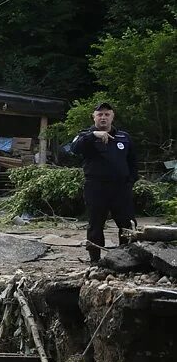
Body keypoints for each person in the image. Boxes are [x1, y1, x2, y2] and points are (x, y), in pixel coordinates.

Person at [69, 101, 138, 263]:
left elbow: (133, 161)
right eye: (100, 114)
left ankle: (126, 257)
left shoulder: (124, 137)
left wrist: (131, 181)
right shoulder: (85, 135)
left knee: (127, 224)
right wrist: (94, 135)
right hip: (96, 187)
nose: (103, 117)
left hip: (121, 188)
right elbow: (74, 148)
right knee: (95, 224)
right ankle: (95, 260)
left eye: (107, 114)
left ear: (112, 117)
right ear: (94, 117)